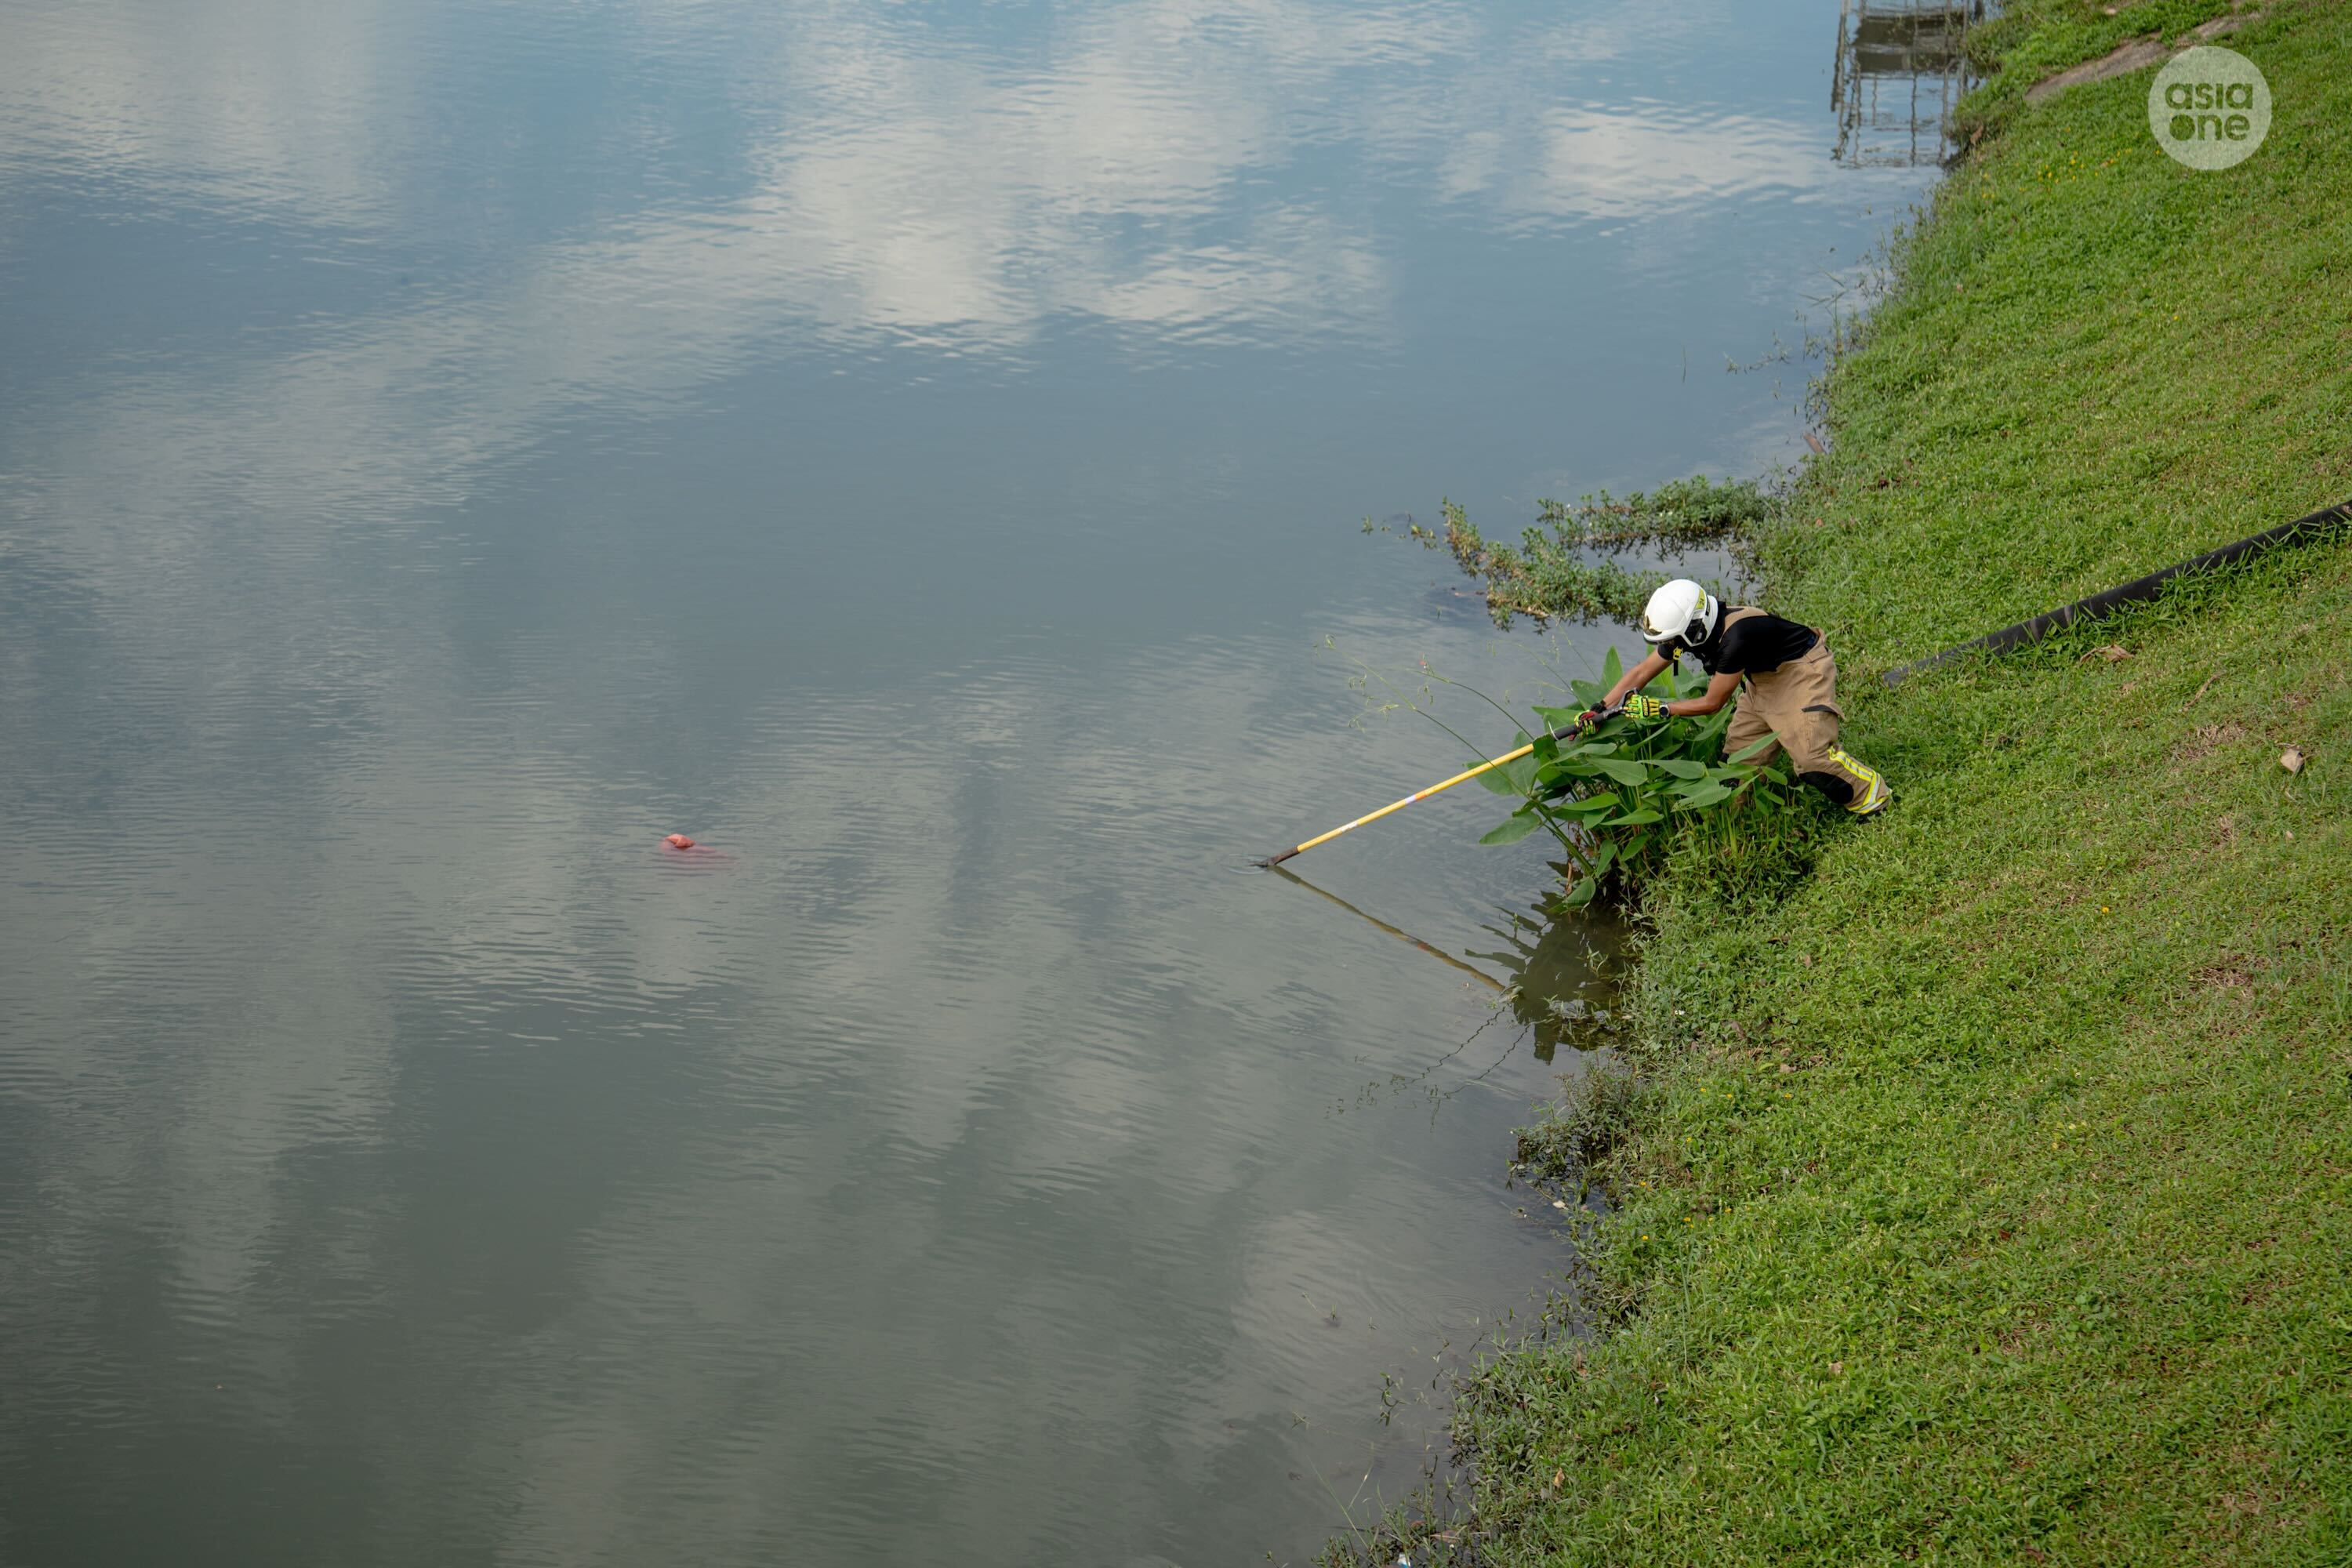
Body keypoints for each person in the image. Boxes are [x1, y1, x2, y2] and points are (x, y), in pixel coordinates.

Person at [1578, 579, 1892, 815]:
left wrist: (1661, 709)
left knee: (1812, 762)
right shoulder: (1691, 632)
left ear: (1694, 628)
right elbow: (1640, 673)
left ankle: (1873, 796)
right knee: (1735, 768)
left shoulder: (1736, 637)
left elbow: (1713, 703)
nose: (1670, 646)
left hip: (1801, 672)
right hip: (1762, 680)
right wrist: (1600, 709)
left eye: (1671, 640)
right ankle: (1752, 820)